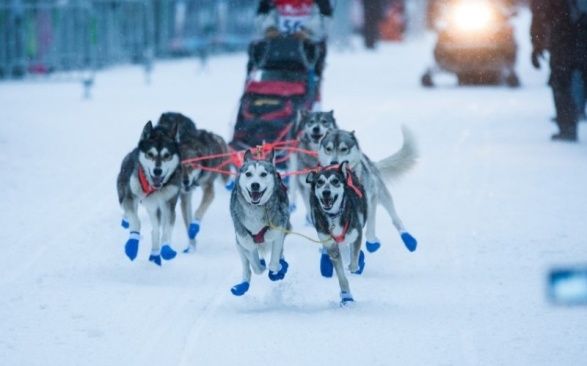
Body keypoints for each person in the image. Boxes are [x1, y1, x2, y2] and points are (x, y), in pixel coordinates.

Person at [530, 0, 587, 142]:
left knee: (561, 83)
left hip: (562, 39)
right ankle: (568, 124)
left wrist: (537, 46)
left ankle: (567, 128)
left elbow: (540, 14)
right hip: (579, 37)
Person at [249, 0, 334, 76]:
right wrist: (269, 28)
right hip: (275, 51)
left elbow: (324, 21)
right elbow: (262, 16)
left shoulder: (320, 3)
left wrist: (308, 32)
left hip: (306, 53)